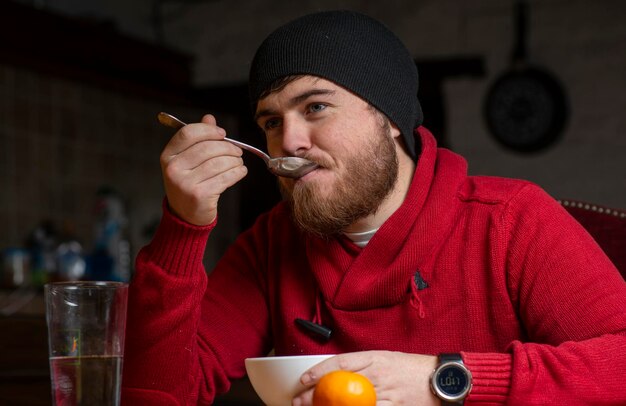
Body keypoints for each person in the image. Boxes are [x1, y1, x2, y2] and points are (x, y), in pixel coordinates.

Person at [121, 10, 626, 406]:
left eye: (315, 107)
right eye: (271, 121)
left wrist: (445, 379)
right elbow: (160, 395)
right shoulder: (272, 242)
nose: (288, 141)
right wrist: (184, 227)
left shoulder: (511, 219)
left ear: (388, 116)